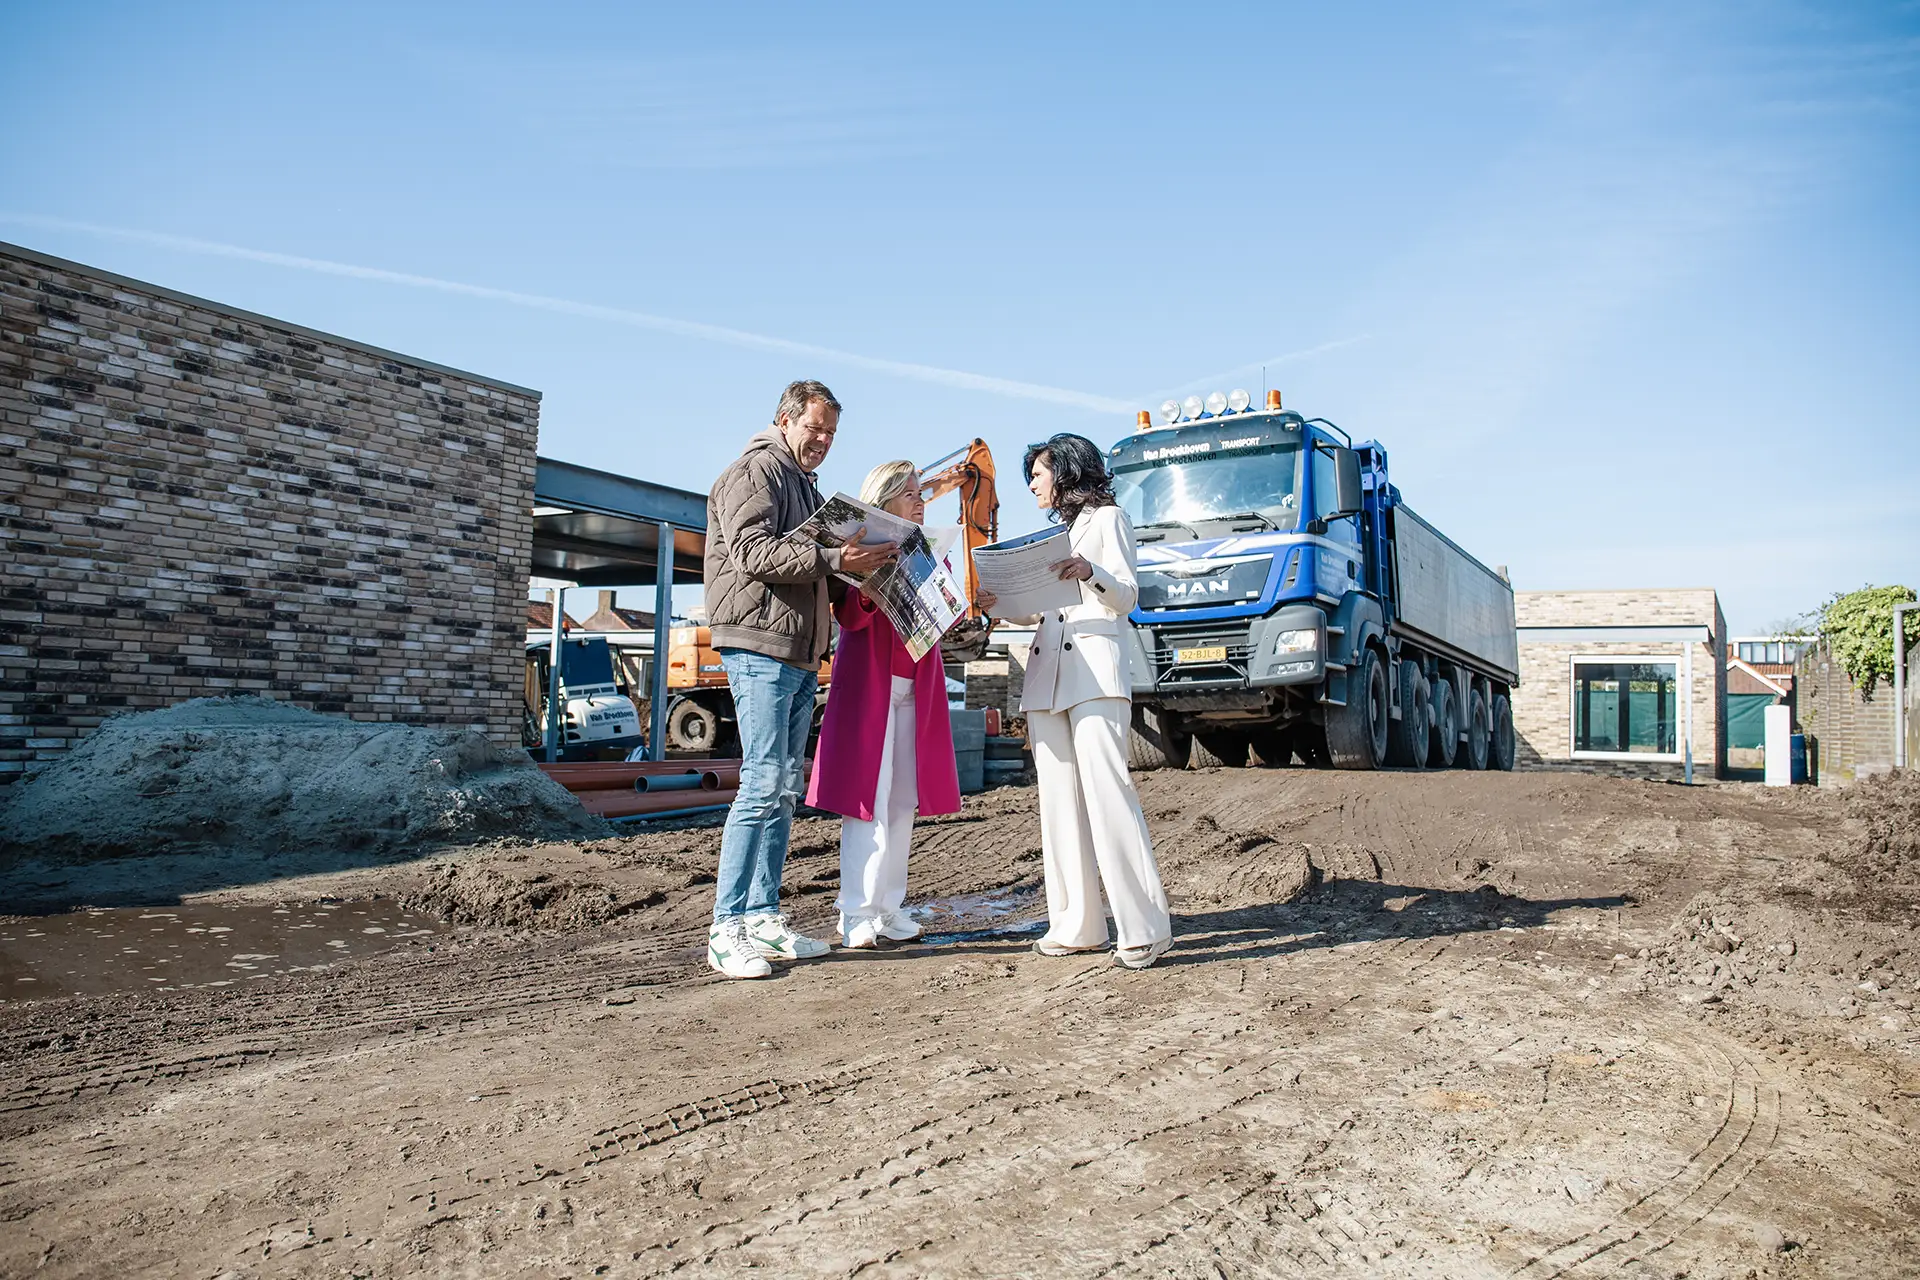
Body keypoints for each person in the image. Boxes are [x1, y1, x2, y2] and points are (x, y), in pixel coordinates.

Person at [703, 380, 898, 980]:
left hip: (795, 649)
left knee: (784, 786)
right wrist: (838, 559)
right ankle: (724, 928)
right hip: (759, 645)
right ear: (785, 420)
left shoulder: (803, 485)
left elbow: (807, 568)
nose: (823, 441)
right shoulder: (755, 472)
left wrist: (867, 565)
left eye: (831, 434)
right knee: (762, 784)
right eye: (815, 428)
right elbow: (753, 553)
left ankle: (762, 918)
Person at [978, 433, 1173, 969]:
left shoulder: (1108, 520)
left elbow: (1127, 597)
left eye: (1038, 474)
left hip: (1094, 674)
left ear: (1065, 472)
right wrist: (1002, 603)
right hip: (1048, 676)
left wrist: (1092, 572)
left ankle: (1145, 927)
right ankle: (1076, 925)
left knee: (1110, 795)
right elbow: (1045, 611)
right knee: (1059, 805)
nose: (1033, 485)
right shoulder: (1060, 532)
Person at [805, 461, 962, 949]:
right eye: (912, 494)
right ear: (886, 501)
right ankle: (855, 913)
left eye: (921, 492)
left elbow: (942, 617)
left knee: (901, 802)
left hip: (917, 685)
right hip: (869, 685)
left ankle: (888, 908)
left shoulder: (928, 549)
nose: (921, 500)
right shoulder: (859, 545)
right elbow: (849, 615)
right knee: (866, 800)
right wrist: (873, 578)